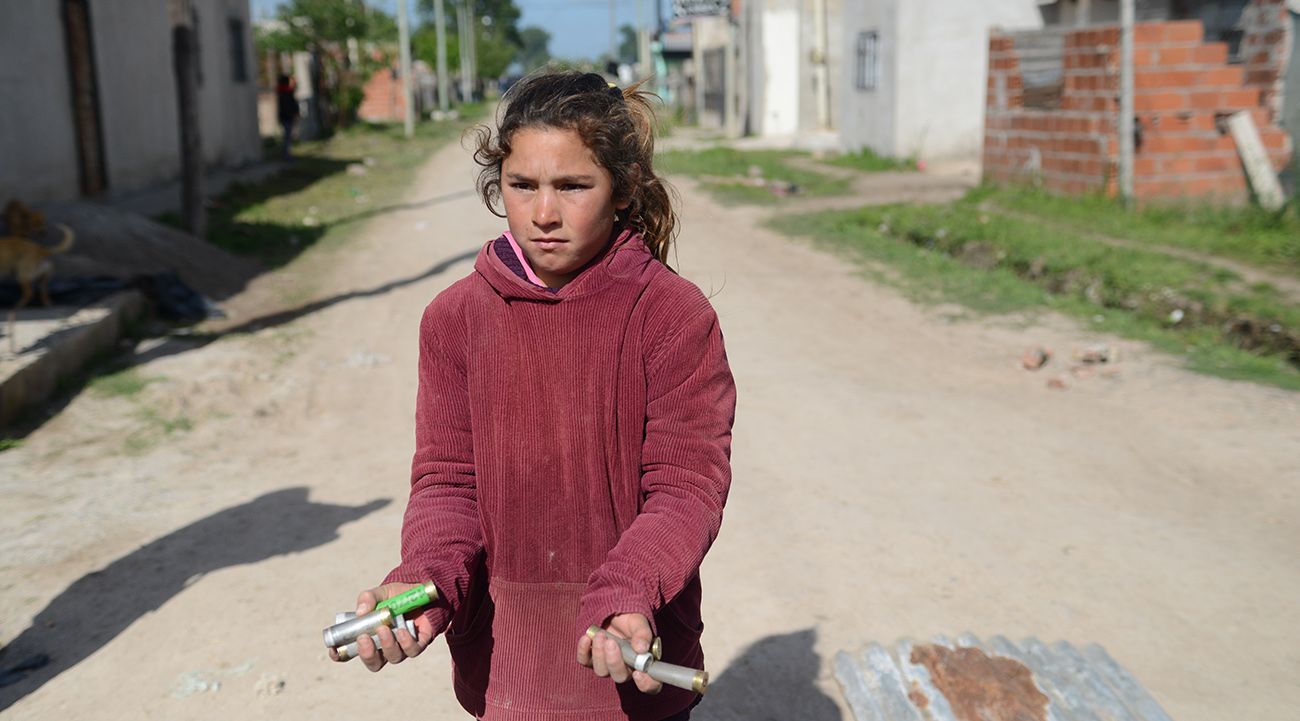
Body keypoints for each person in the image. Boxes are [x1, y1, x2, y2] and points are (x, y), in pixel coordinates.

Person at [331, 71, 737, 721]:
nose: (544, 213)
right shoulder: (454, 318)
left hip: (628, 650)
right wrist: (420, 581)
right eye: (523, 186)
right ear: (499, 187)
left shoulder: (671, 315)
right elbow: (447, 482)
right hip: (505, 665)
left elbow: (687, 484)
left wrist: (626, 590)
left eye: (573, 186)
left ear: (622, 189)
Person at [275, 74, 299, 161]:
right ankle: (286, 155)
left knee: (287, 137)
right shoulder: (286, 92)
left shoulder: (282, 92)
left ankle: (286, 154)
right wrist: (293, 115)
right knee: (287, 138)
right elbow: (289, 106)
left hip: (285, 118)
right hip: (287, 118)